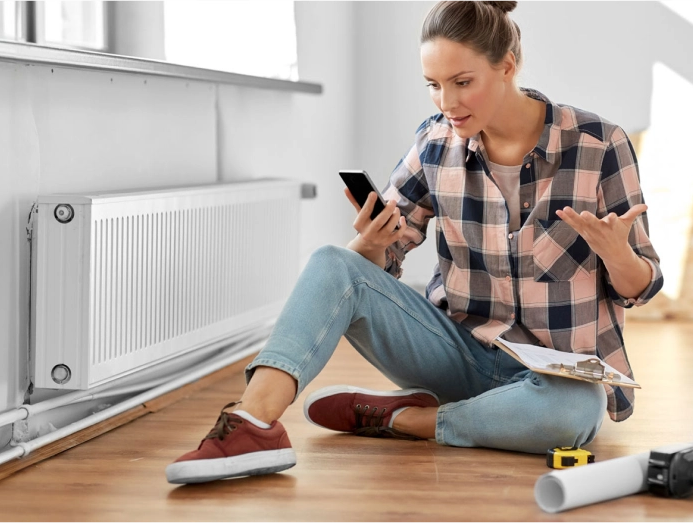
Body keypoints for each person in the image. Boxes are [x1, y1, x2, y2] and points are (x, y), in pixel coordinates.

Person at [165, 0, 663, 485]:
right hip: (457, 353)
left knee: (577, 412)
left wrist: (618, 254)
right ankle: (253, 424)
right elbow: (371, 267)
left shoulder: (599, 145)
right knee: (331, 261)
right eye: (434, 85)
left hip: (555, 376)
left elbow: (642, 285)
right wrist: (371, 243)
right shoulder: (435, 143)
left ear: (507, 66)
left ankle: (406, 420)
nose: (447, 102)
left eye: (462, 82)